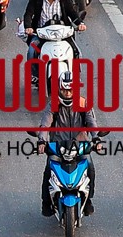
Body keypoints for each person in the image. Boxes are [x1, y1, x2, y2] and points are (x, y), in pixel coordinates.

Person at [37, 83, 101, 217]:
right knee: (49, 170)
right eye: (64, 90)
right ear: (59, 89)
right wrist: (42, 140)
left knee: (90, 167)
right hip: (58, 145)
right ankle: (46, 202)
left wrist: (96, 138)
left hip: (80, 146)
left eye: (70, 90)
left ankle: (88, 200)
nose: (67, 93)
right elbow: (45, 123)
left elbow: (91, 122)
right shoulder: (53, 104)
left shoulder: (83, 103)